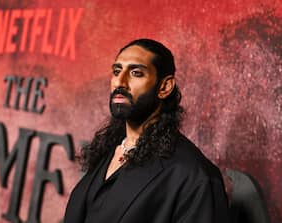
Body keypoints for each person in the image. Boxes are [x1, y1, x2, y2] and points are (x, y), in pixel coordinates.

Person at [64, 39, 230, 223]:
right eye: (117, 71)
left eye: (136, 73)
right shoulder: (107, 150)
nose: (120, 82)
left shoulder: (195, 176)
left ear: (164, 87)